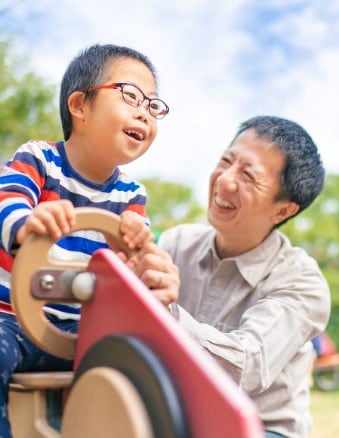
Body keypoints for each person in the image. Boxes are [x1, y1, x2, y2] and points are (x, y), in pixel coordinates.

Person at [0, 43, 170, 436]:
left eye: (154, 105)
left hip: (84, 337)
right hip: (12, 324)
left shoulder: (131, 196)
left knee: (147, 369)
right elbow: (7, 201)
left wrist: (136, 249)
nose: (144, 111)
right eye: (131, 95)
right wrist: (28, 222)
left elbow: (135, 259)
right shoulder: (39, 160)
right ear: (80, 105)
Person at [143, 115, 331, 438]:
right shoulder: (177, 243)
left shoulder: (302, 282)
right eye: (226, 161)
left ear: (283, 210)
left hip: (261, 430)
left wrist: (164, 314)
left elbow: (245, 366)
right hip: (183, 419)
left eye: (248, 175)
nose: (225, 181)